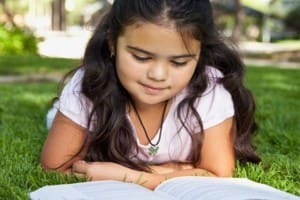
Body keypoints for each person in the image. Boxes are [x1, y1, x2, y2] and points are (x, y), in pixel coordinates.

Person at [41, 0, 261, 190]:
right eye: (141, 57)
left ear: (200, 54)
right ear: (112, 43)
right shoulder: (88, 85)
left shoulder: (210, 90)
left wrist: (134, 177)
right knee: (56, 118)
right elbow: (54, 168)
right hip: (81, 116)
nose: (157, 75)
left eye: (179, 62)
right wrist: (172, 171)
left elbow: (219, 175)